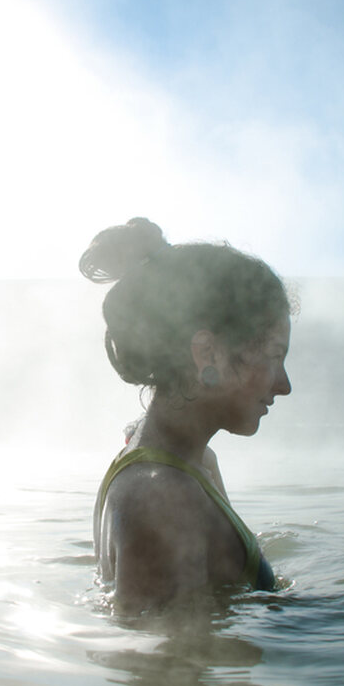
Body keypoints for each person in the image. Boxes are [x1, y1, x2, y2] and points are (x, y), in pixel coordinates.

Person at [81, 217, 293, 614]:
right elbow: (165, 671)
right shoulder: (161, 501)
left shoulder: (187, 466)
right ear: (207, 354)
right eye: (274, 357)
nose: (284, 384)